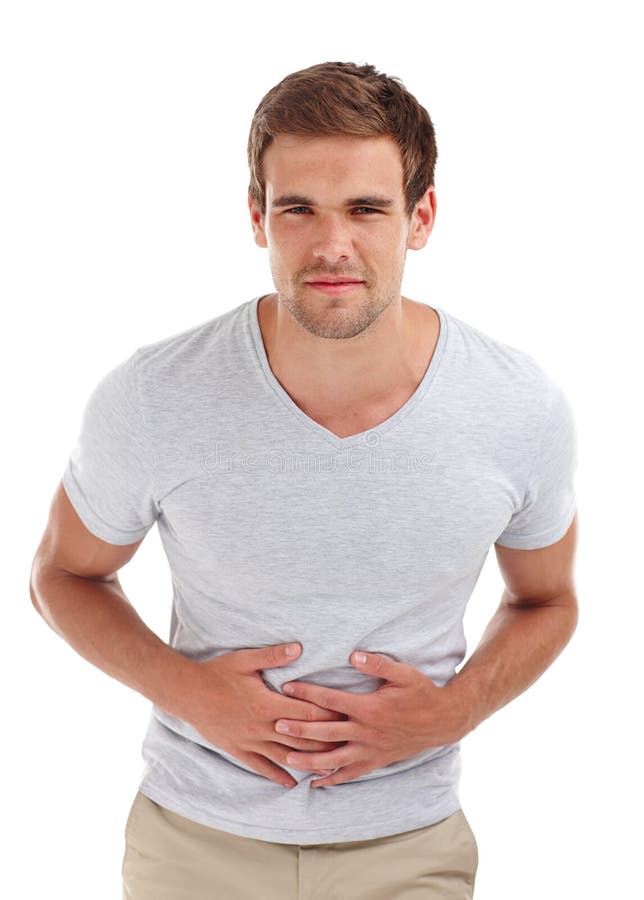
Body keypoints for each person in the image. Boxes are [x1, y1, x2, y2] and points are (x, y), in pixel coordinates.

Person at [29, 61, 579, 899]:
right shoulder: (153, 395)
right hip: (193, 841)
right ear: (258, 216)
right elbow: (62, 576)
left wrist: (456, 710)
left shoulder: (516, 407)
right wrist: (189, 693)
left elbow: (549, 599)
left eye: (366, 209)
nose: (332, 245)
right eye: (298, 209)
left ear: (420, 217)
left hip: (408, 844)